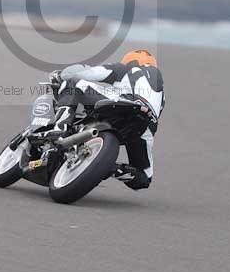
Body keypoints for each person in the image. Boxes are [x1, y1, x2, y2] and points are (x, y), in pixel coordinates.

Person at [48, 49, 164, 190]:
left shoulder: (126, 68)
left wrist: (60, 76)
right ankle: (110, 168)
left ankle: (60, 128)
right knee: (144, 177)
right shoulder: (161, 92)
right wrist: (103, 164)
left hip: (124, 104)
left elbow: (89, 73)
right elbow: (153, 113)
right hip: (145, 124)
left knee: (74, 84)